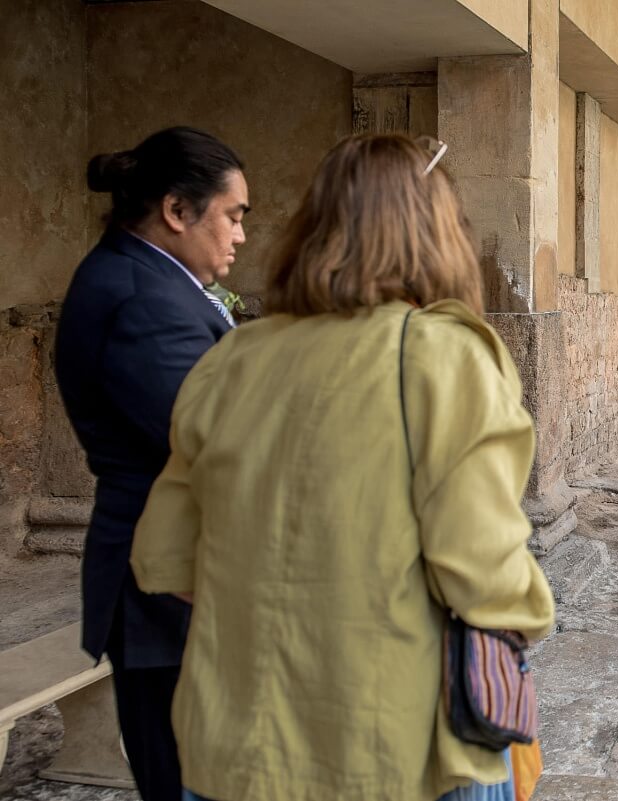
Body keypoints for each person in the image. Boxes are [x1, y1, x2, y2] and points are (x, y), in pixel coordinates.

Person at [130, 133, 556, 801]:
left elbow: (163, 560)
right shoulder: (443, 354)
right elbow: (484, 575)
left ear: (314, 228)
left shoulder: (231, 359)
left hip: (239, 752)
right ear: (437, 231)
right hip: (400, 750)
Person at [54, 126, 248, 801]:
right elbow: (215, 441)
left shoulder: (154, 281)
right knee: (187, 778)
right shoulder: (141, 297)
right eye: (233, 214)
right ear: (176, 210)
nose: (240, 235)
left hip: (169, 584)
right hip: (161, 589)